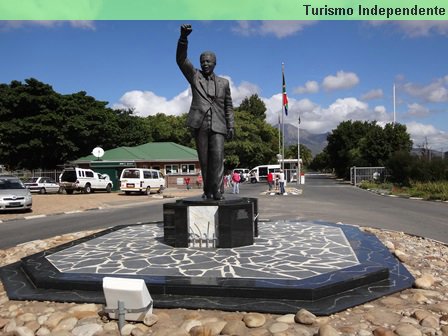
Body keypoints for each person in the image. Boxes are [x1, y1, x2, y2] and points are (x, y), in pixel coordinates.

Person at [176, 24, 234, 201]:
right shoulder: (195, 76)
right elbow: (181, 60)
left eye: (208, 61)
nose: (205, 64)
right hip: (200, 124)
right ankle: (208, 190)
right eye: (203, 62)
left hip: (218, 125)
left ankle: (218, 191)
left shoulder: (224, 83)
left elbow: (228, 106)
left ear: (215, 63)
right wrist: (183, 38)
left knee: (217, 158)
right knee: (205, 160)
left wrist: (231, 125)